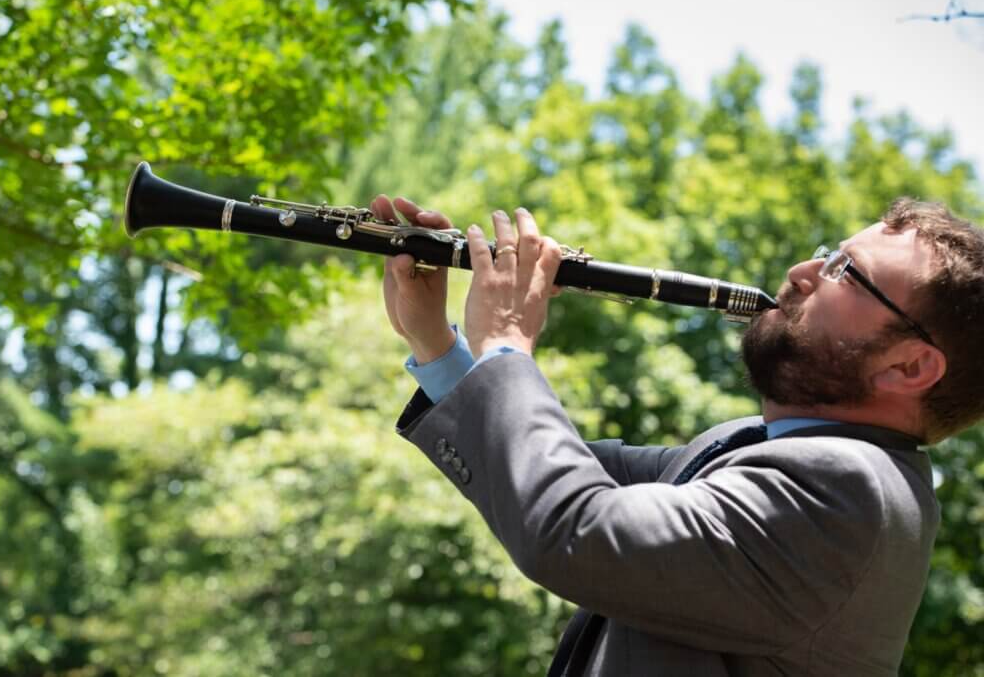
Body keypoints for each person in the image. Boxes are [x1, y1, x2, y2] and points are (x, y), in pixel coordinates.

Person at [372, 194, 984, 676]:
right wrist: (438, 346)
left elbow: (574, 527)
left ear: (910, 367)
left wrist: (506, 342)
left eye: (847, 273)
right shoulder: (762, 445)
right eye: (828, 254)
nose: (802, 272)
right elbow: (543, 469)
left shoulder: (846, 489)